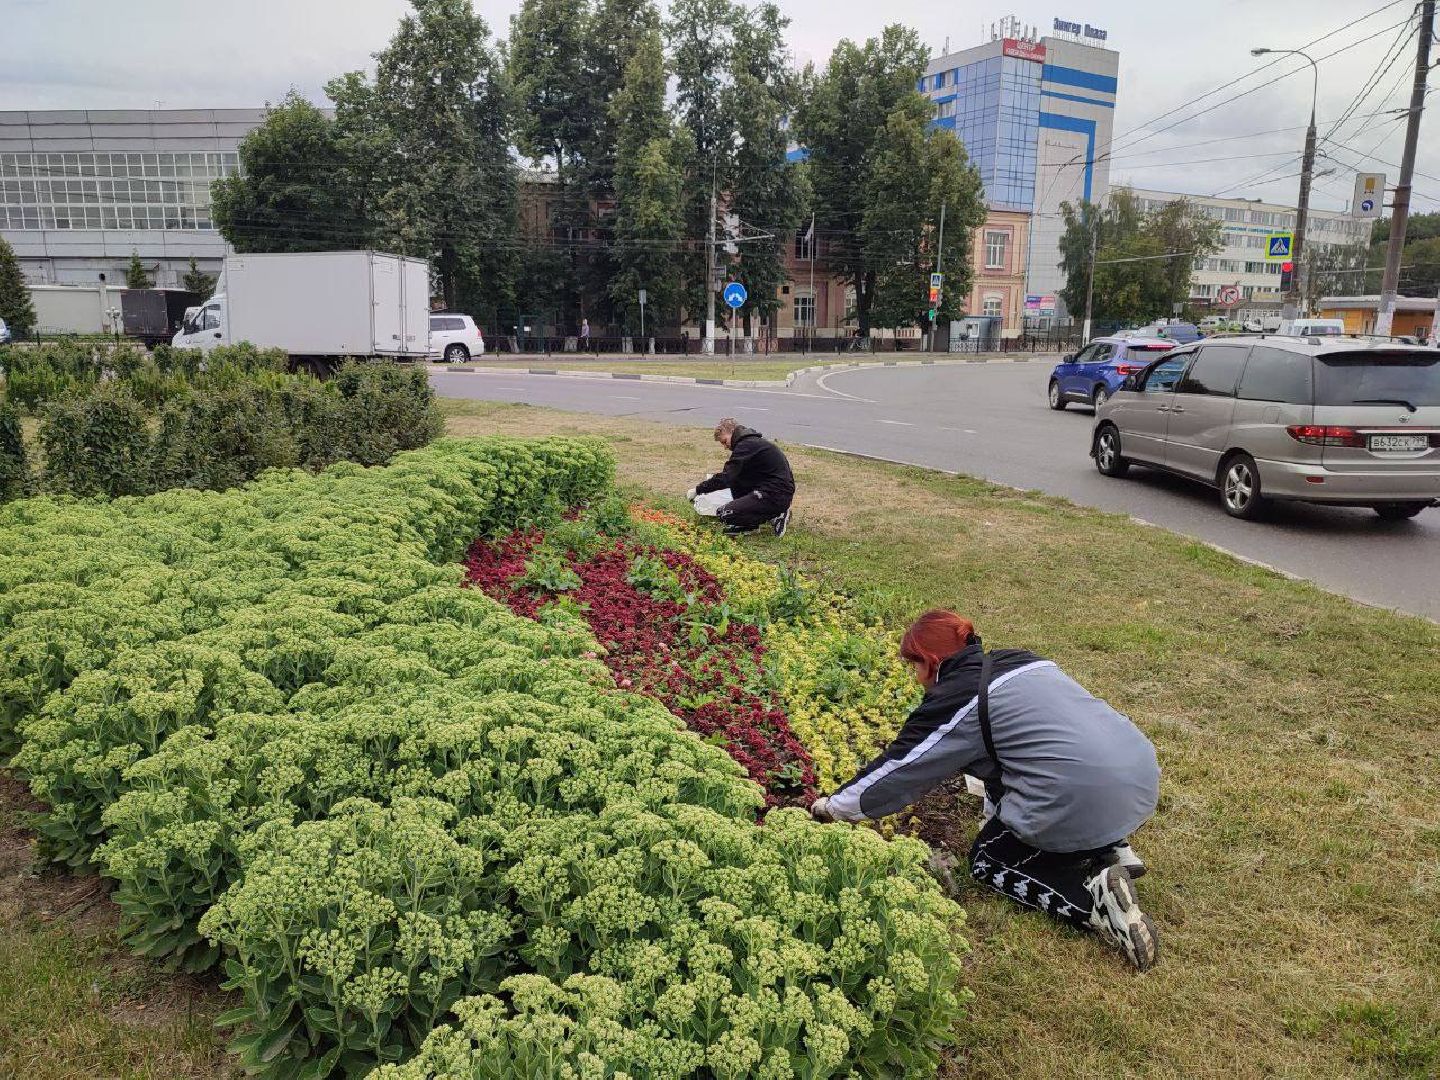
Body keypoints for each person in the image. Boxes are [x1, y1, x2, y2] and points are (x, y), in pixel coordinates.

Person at [810, 610, 1162, 971]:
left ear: (931, 663)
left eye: (914, 667)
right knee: (1045, 772)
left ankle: (1094, 904)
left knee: (988, 858)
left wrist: (831, 807)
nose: (916, 679)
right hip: (1139, 776)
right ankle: (1111, 848)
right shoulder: (1021, 662)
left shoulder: (958, 699)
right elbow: (1012, 762)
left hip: (1081, 796)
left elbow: (900, 769)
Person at [686, 418, 795, 537]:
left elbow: (726, 477)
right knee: (738, 480)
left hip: (775, 493)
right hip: (773, 489)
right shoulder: (751, 443)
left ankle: (777, 513)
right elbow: (734, 478)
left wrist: (698, 490)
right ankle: (752, 522)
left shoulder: (746, 446)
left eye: (724, 441)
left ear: (732, 432)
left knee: (725, 513)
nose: (725, 447)